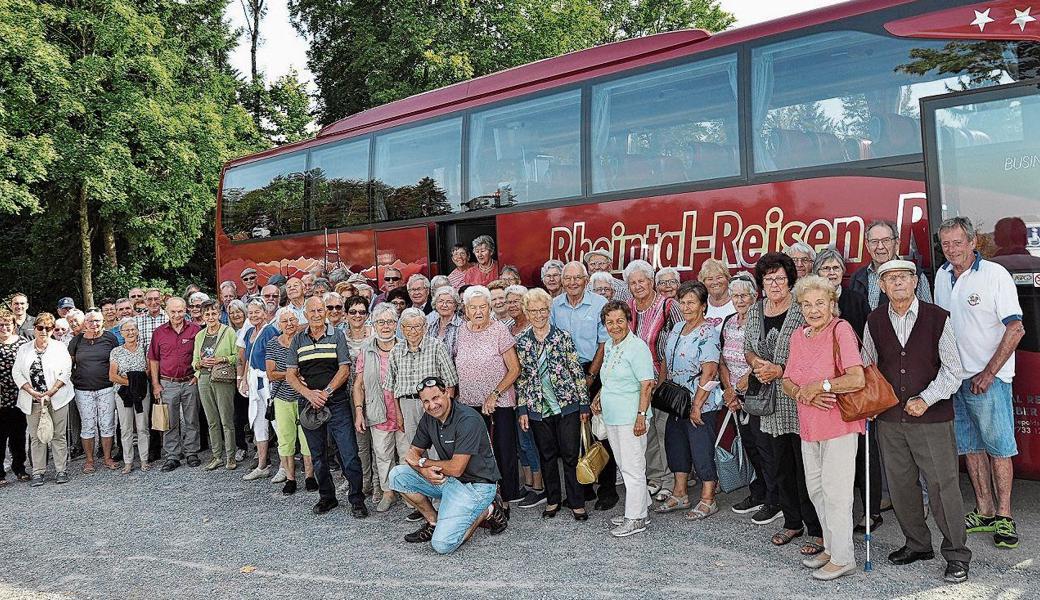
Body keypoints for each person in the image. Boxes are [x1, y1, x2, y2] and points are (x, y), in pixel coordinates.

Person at [861, 259, 971, 584]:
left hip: (932, 419)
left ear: (914, 282)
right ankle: (917, 544)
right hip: (890, 420)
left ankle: (956, 555)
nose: (897, 283)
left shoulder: (938, 318)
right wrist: (868, 401)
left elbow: (953, 370)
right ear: (881, 286)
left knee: (942, 486)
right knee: (900, 485)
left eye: (903, 277)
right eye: (890, 278)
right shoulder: (874, 320)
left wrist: (926, 398)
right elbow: (869, 368)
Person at [934, 216, 1025, 550]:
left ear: (973, 242)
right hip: (955, 380)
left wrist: (988, 373)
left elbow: (1016, 328)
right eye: (946, 244)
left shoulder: (994, 275)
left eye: (959, 242)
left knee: (999, 449)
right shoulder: (942, 277)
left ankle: (1005, 516)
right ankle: (984, 510)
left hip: (990, 380)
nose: (952, 249)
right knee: (970, 448)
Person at [782, 274, 866, 581]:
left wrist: (821, 385)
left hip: (840, 425)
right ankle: (831, 548)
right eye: (806, 304)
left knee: (837, 493)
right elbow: (788, 382)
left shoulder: (841, 330)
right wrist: (805, 392)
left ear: (832, 304)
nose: (813, 309)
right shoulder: (797, 337)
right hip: (809, 426)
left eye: (820, 303)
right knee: (817, 490)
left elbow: (857, 378)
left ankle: (844, 558)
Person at [744, 252, 823, 556]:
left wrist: (779, 370)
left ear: (791, 279)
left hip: (798, 399)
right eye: (768, 278)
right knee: (780, 467)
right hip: (768, 403)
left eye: (779, 277)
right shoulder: (755, 310)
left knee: (806, 469)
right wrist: (757, 364)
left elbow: (813, 349)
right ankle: (792, 522)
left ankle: (816, 530)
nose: (774, 283)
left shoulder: (802, 308)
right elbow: (749, 347)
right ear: (761, 282)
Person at [388, 377, 508, 553]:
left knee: (443, 545)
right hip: (449, 480)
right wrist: (424, 471)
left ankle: (487, 510)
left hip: (477, 486)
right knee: (397, 475)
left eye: (436, 397)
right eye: (426, 401)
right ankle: (433, 522)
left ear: (447, 393)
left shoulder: (468, 419)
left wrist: (423, 463)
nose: (432, 405)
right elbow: (412, 454)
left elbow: (456, 468)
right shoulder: (429, 418)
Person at [813, 246, 880, 532]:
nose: (830, 273)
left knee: (865, 451)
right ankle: (838, 512)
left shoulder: (856, 300)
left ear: (843, 273)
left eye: (835, 268)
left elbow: (870, 343)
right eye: (825, 269)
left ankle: (871, 512)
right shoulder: (812, 302)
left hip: (853, 385)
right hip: (825, 388)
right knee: (835, 455)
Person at [286, 296, 368, 518]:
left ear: (325, 312)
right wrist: (309, 394)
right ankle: (327, 497)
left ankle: (357, 499)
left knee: (349, 453)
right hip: (308, 403)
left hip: (336, 401)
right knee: (318, 455)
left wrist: (326, 392)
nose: (316, 314)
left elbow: (344, 368)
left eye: (320, 310)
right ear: (305, 313)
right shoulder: (297, 340)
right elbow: (291, 374)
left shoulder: (337, 335)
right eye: (311, 310)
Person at [515, 288, 590, 520]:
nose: (538, 315)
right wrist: (523, 409)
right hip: (538, 409)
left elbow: (577, 371)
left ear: (549, 311)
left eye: (542, 310)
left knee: (570, 455)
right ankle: (553, 500)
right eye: (533, 311)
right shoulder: (522, 341)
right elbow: (522, 378)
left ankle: (577, 502)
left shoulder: (562, 336)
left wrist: (584, 404)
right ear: (526, 312)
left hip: (567, 405)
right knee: (547, 455)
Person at [551, 261, 616, 511]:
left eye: (577, 278)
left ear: (586, 279)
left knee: (601, 433)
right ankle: (584, 488)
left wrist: (590, 376)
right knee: (573, 436)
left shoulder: (599, 305)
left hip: (594, 372)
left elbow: (604, 344)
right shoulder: (555, 306)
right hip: (565, 375)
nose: (572, 282)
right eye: (568, 279)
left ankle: (607, 490)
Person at [656, 281, 723, 520]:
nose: (686, 307)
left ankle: (708, 499)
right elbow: (665, 360)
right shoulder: (677, 328)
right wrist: (661, 390)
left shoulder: (709, 333)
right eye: (682, 302)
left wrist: (696, 405)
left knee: (701, 450)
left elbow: (710, 371)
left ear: (703, 306)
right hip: (676, 401)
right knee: (677, 447)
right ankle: (680, 493)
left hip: (699, 403)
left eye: (691, 302)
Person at [385, 307, 460, 518]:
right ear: (402, 329)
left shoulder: (437, 347)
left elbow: (450, 382)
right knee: (415, 455)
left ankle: (442, 502)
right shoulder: (396, 351)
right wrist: (399, 414)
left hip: (434, 407)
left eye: (417, 326)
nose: (413, 331)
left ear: (425, 327)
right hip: (408, 406)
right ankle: (424, 503)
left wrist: (448, 412)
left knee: (438, 453)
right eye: (408, 327)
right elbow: (391, 387)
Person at [720, 274, 782, 525]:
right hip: (736, 395)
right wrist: (729, 390)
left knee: (766, 449)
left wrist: (747, 380)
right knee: (750, 447)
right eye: (735, 295)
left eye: (745, 295)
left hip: (758, 394)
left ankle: (774, 500)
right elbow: (722, 359)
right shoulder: (729, 321)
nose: (740, 300)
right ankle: (758, 492)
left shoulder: (761, 321)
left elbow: (767, 356)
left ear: (755, 296)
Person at [454, 286, 522, 502]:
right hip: (468, 403)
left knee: (503, 449)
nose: (478, 311)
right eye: (473, 307)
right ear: (466, 309)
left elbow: (514, 369)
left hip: (497, 403)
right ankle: (484, 494)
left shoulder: (499, 329)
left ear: (490, 307)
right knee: (476, 452)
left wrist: (494, 394)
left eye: (482, 306)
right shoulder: (462, 330)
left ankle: (509, 494)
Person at [593, 300, 655, 537]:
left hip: (631, 417)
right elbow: (609, 378)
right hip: (613, 415)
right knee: (625, 464)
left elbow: (647, 384)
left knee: (633, 467)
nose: (615, 326)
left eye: (619, 320)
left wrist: (641, 416)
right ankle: (642, 507)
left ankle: (636, 518)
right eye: (609, 322)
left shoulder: (637, 347)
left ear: (628, 320)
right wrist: (599, 396)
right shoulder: (610, 345)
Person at [625, 259, 682, 501]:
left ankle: (670, 480)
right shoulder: (627, 307)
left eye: (642, 281)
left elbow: (679, 342)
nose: (638, 286)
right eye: (633, 282)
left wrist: (662, 379)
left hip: (663, 380)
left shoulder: (669, 306)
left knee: (663, 431)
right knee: (644, 432)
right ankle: (656, 476)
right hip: (636, 383)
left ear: (652, 282)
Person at [354, 303, 408, 512]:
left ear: (397, 325)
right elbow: (358, 385)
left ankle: (407, 492)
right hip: (378, 411)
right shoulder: (366, 351)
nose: (385, 326)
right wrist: (359, 411)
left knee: (405, 453)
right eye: (381, 322)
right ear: (373, 324)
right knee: (383, 454)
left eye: (390, 322)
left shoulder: (405, 347)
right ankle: (388, 492)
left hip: (403, 411)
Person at [13, 312, 74, 486]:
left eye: (48, 328)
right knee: (36, 436)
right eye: (40, 328)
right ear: (34, 328)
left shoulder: (60, 347)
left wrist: (52, 391)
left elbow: (66, 371)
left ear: (53, 330)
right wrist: (31, 391)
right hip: (32, 398)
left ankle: (61, 470)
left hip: (57, 397)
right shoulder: (24, 349)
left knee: (58, 435)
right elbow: (16, 372)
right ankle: (38, 472)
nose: (44, 331)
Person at [265, 307, 316, 495]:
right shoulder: (272, 344)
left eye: (293, 320)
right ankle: (290, 478)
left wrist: (286, 374)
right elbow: (270, 374)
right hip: (282, 398)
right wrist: (293, 374)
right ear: (279, 324)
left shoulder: (306, 340)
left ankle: (310, 477)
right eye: (285, 321)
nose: (289, 324)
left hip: (304, 396)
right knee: (285, 439)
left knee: (307, 438)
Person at [149, 297, 202, 472]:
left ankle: (192, 452)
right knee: (170, 421)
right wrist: (155, 384)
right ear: (167, 311)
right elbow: (154, 359)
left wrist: (197, 375)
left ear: (185, 310)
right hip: (167, 382)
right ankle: (172, 456)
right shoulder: (159, 332)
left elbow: (202, 355)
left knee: (191, 419)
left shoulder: (195, 330)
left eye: (180, 311)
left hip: (189, 381)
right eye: (173, 311)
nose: (177, 315)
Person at [68, 309, 121, 472]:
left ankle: (107, 458)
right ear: (85, 323)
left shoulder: (110, 338)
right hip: (83, 390)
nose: (94, 324)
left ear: (103, 321)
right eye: (90, 321)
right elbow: (69, 364)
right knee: (87, 425)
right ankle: (89, 460)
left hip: (106, 388)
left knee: (107, 424)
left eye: (97, 320)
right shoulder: (76, 341)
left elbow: (117, 360)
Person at [191, 300, 239, 471]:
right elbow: (194, 361)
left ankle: (231, 456)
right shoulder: (199, 336)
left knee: (226, 419)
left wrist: (221, 359)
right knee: (212, 420)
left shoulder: (229, 332)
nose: (210, 317)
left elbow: (238, 357)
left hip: (222, 378)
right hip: (204, 378)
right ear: (202, 317)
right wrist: (200, 364)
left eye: (214, 313)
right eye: (207, 314)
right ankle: (217, 456)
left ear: (219, 314)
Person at [341, 295, 378, 500]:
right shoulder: (340, 336)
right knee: (360, 441)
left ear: (367, 314)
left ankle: (379, 483)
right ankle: (364, 482)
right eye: (353, 312)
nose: (357, 316)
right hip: (349, 393)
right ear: (346, 315)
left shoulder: (375, 335)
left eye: (362, 312)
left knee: (378, 441)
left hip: (374, 392)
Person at [849, 220, 932, 309]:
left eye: (886, 240)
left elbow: (929, 315)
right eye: (874, 241)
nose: (880, 246)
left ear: (896, 243)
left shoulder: (915, 275)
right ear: (867, 245)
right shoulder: (857, 278)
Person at [237, 298, 277, 481]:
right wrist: (243, 379)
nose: (253, 315)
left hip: (268, 382)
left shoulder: (270, 331)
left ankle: (285, 466)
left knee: (277, 422)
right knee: (259, 423)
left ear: (264, 312)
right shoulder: (249, 333)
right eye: (250, 312)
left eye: (257, 312)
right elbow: (247, 360)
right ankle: (263, 465)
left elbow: (277, 355)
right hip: (254, 381)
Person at [109, 318, 151, 474]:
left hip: (142, 393)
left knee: (142, 426)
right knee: (126, 428)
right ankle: (128, 462)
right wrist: (133, 381)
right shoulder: (116, 351)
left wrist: (135, 380)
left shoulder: (145, 348)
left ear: (138, 331)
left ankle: (144, 460)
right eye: (126, 330)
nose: (130, 332)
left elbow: (148, 370)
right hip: (123, 394)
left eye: (133, 329)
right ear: (121, 333)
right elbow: (112, 376)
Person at [0, 311, 29, 483]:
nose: (4, 328)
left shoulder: (23, 343)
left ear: (14, 325)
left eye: (7, 324)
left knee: (18, 435)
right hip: (0, 397)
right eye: (1, 325)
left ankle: (19, 468)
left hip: (19, 394)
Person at [226, 299, 250, 462]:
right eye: (232, 312)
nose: (235, 315)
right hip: (233, 378)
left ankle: (259, 446)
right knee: (238, 416)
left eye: (238, 311)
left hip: (249, 376)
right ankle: (241, 446)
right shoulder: (227, 332)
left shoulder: (251, 329)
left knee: (254, 414)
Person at [426, 287, 463, 358]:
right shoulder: (431, 326)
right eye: (440, 301)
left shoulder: (462, 326)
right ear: (435, 304)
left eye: (449, 302)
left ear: (455, 306)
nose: (444, 305)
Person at [699, 259, 735, 331]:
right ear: (703, 282)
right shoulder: (701, 303)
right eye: (710, 279)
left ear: (727, 278)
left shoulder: (737, 301)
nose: (715, 282)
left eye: (719, 277)